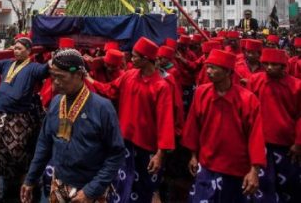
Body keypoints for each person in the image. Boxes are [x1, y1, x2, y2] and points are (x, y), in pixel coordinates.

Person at [21, 49, 125, 203]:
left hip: (90, 189)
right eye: (53, 76)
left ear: (78, 75)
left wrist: (91, 191)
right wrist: (30, 179)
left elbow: (116, 154)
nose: (55, 82)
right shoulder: (56, 103)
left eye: (61, 77)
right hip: (59, 185)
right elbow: (44, 144)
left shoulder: (102, 108)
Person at [89, 37, 175, 203]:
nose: (131, 59)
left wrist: (160, 153)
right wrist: (89, 80)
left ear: (145, 59)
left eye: (135, 56)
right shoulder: (129, 76)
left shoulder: (161, 86)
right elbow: (109, 90)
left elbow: (166, 122)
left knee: (145, 187)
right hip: (125, 142)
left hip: (147, 146)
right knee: (121, 184)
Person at [0, 35, 51, 200]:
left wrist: (51, 62)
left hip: (18, 119)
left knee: (16, 154)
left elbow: (44, 71)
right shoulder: (7, 63)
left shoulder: (33, 68)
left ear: (28, 51)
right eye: (15, 47)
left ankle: (23, 184)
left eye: (20, 48)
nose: (16, 50)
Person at [182, 49, 266, 202]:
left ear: (228, 71)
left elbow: (256, 137)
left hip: (236, 169)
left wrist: (254, 169)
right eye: (208, 67)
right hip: (207, 165)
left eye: (213, 67)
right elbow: (193, 126)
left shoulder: (248, 100)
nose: (208, 71)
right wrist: (193, 155)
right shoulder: (201, 93)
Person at [246, 48, 301, 202]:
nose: (269, 67)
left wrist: (298, 143)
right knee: (263, 186)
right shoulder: (255, 81)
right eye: (266, 64)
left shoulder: (297, 86)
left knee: (290, 185)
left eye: (273, 64)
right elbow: (248, 112)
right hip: (261, 144)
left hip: (288, 147)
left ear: (283, 66)